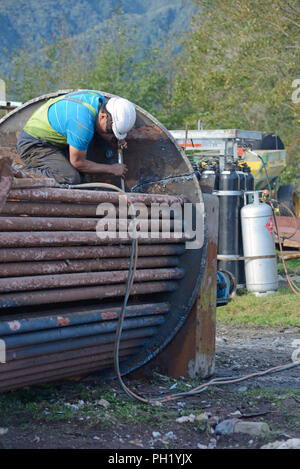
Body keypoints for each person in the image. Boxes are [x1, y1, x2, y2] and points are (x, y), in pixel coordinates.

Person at [15, 90, 136, 184]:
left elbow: (93, 125)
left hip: (51, 134)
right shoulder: (82, 124)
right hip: (34, 144)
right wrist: (111, 169)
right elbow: (78, 162)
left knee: (85, 168)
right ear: (104, 116)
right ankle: (16, 171)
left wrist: (110, 138)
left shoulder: (98, 99)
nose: (110, 133)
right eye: (110, 130)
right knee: (70, 178)